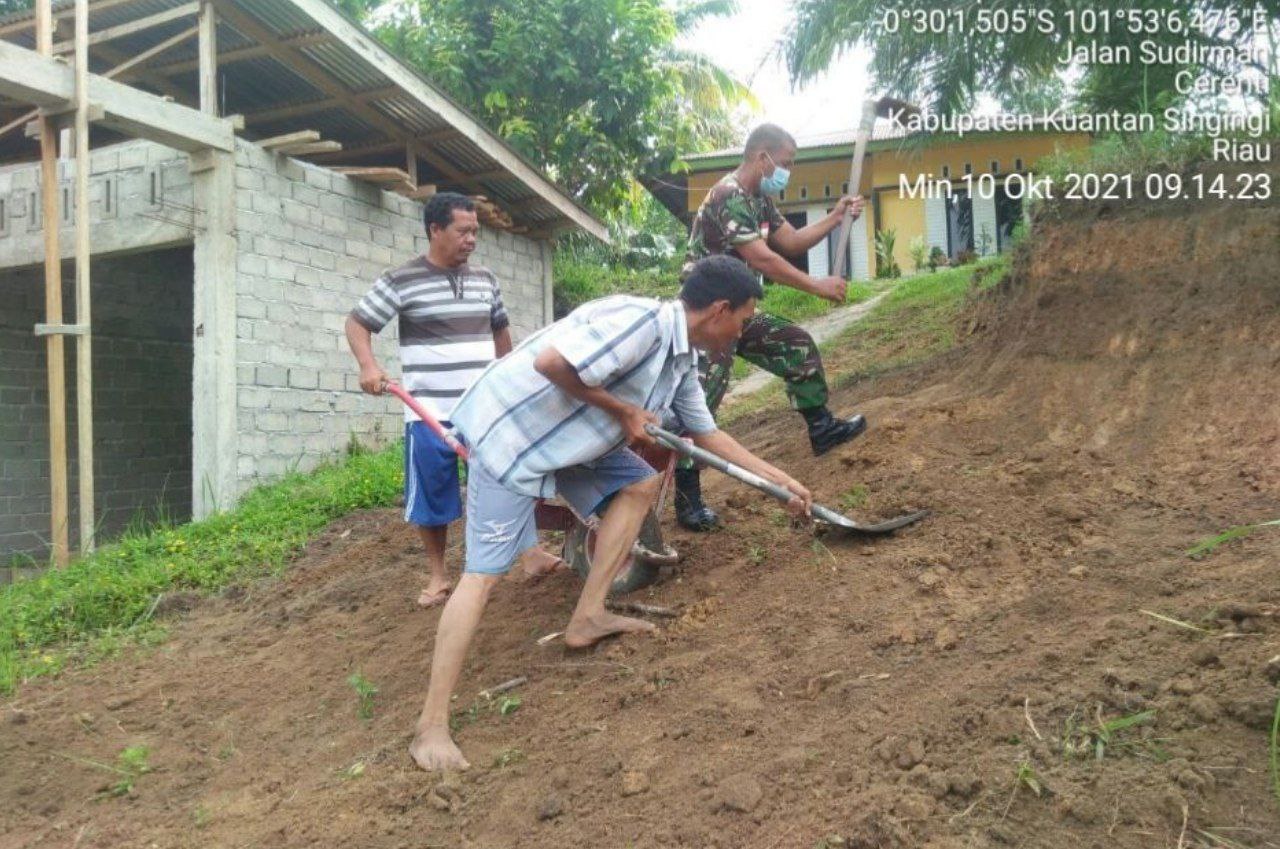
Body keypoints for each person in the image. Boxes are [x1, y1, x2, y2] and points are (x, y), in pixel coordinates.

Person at [408, 255, 814, 771]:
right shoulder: (641, 323)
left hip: (568, 442)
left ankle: (587, 616)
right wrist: (623, 412)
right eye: (743, 318)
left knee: (640, 481)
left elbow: (707, 436)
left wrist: (783, 482)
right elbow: (551, 364)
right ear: (718, 310)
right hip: (510, 439)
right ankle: (431, 727)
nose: (742, 330)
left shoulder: (681, 360)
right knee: (483, 576)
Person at [345, 192, 562, 609]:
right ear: (435, 230)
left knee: (511, 478)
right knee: (433, 496)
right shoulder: (401, 280)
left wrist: (512, 378)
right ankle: (438, 576)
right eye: (463, 231)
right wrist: (368, 367)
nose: (471, 240)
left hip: (484, 409)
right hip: (430, 414)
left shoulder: (486, 280)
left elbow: (501, 334)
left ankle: (531, 555)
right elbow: (357, 323)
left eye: (475, 232)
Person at [675, 123, 870, 532]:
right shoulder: (729, 195)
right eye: (785, 163)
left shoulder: (760, 199)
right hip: (708, 317)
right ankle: (686, 498)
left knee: (795, 346)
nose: (788, 172)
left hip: (739, 311)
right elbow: (763, 259)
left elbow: (793, 242)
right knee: (703, 400)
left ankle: (822, 428)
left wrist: (835, 217)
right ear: (762, 158)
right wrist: (817, 285)